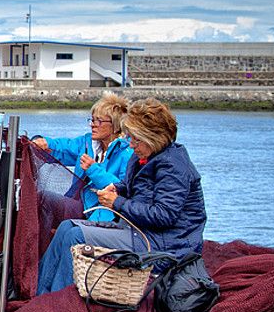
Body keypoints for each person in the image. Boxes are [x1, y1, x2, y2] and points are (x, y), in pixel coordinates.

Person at [35, 98, 207, 295]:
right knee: (67, 227)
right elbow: (131, 186)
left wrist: (117, 202)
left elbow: (164, 215)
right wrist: (117, 189)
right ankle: (41, 297)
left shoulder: (174, 166)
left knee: (75, 235)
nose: (131, 144)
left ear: (153, 139)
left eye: (136, 139)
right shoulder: (143, 156)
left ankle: (58, 304)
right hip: (139, 230)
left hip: (163, 243)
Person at [30, 92, 134, 222]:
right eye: (92, 119)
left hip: (100, 212)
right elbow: (63, 147)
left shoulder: (127, 152)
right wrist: (44, 143)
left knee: (45, 201)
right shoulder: (87, 142)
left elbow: (122, 188)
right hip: (79, 203)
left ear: (115, 125)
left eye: (99, 121)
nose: (93, 124)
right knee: (40, 199)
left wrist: (93, 169)